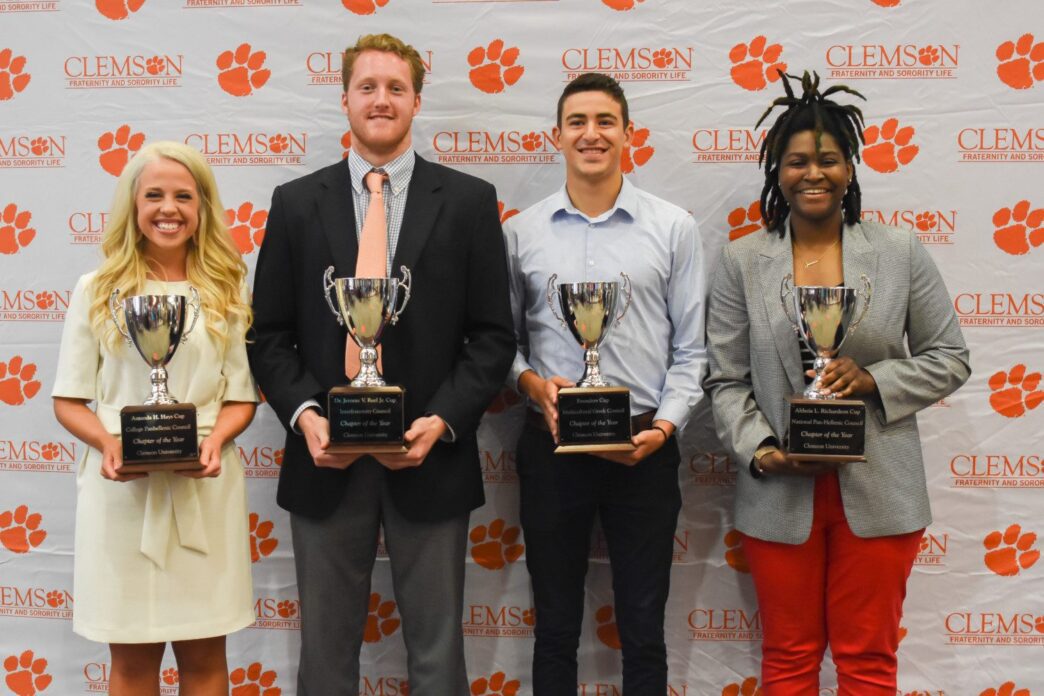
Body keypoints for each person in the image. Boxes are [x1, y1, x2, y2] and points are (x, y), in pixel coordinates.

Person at [247, 33, 515, 695]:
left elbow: (491, 338)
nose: (381, 99)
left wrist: (440, 423)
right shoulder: (294, 202)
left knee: (437, 659)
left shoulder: (471, 201)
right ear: (344, 99)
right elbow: (269, 336)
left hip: (431, 457)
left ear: (417, 100)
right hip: (324, 460)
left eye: (396, 87)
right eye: (367, 86)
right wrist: (308, 418)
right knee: (326, 660)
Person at [703, 71, 971, 695]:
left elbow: (950, 356)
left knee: (868, 660)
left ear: (850, 167)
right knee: (790, 658)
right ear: (777, 171)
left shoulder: (901, 252)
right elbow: (725, 380)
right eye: (796, 161)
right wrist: (765, 454)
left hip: (880, 491)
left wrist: (875, 379)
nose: (813, 173)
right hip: (780, 495)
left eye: (828, 159)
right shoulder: (744, 260)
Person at [504, 72, 707, 694]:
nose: (591, 134)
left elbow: (691, 349)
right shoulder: (520, 233)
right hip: (552, 445)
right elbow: (503, 345)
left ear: (628, 134)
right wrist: (532, 384)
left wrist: (665, 427)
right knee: (555, 628)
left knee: (643, 626)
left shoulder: (674, 229)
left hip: (643, 447)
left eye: (605, 122)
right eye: (578, 123)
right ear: (557, 137)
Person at [51, 141, 258, 696]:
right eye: (155, 196)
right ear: (133, 205)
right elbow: (68, 401)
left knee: (207, 657)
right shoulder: (96, 291)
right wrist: (109, 445)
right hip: (121, 497)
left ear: (203, 206)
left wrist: (214, 442)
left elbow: (241, 397)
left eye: (184, 196)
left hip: (206, 496)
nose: (169, 209)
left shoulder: (226, 289)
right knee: (133, 663)